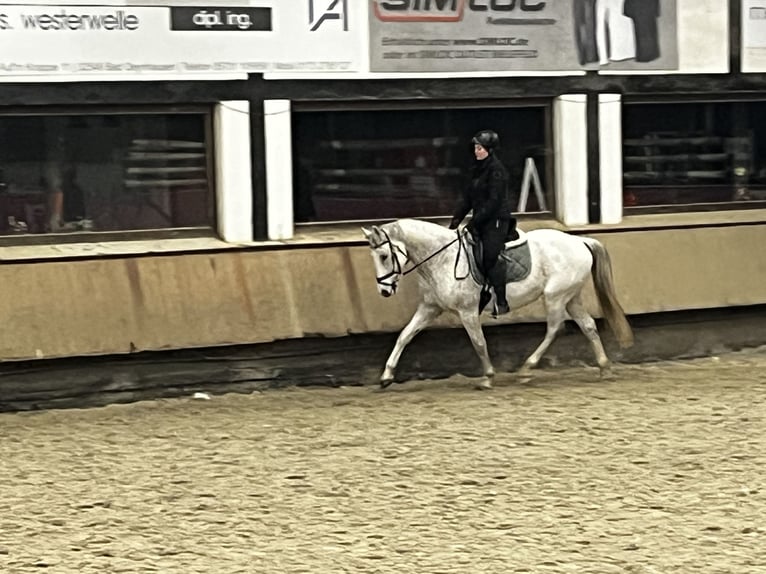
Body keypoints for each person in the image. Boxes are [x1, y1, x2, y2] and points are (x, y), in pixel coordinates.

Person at [449, 129, 518, 316]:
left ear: (490, 149)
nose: (476, 151)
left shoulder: (497, 171)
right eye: (475, 148)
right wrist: (456, 220)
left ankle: (501, 301)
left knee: (489, 255)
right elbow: (468, 199)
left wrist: (474, 222)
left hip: (496, 220)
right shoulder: (476, 169)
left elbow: (493, 202)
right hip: (481, 219)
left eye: (480, 148)